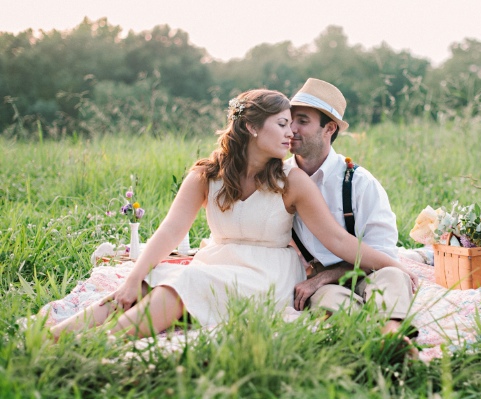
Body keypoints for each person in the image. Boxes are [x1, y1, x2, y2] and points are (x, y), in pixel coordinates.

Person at [50, 89, 418, 340]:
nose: (291, 134)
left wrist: (399, 267)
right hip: (219, 261)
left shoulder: (293, 180)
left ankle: (97, 345)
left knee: (183, 285)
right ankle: (54, 336)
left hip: (266, 276)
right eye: (283, 124)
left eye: (296, 123)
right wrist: (132, 277)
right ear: (251, 126)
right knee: (148, 282)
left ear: (330, 128)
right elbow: (168, 233)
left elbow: (339, 240)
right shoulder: (205, 175)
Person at [286, 78, 416, 337]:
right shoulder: (280, 179)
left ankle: (394, 338)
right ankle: (366, 338)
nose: (291, 129)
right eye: (288, 120)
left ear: (329, 129)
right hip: (319, 283)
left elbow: (382, 254)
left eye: (302, 121)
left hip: (369, 271)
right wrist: (319, 279)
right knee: (331, 303)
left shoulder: (359, 182)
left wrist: (326, 275)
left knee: (394, 277)